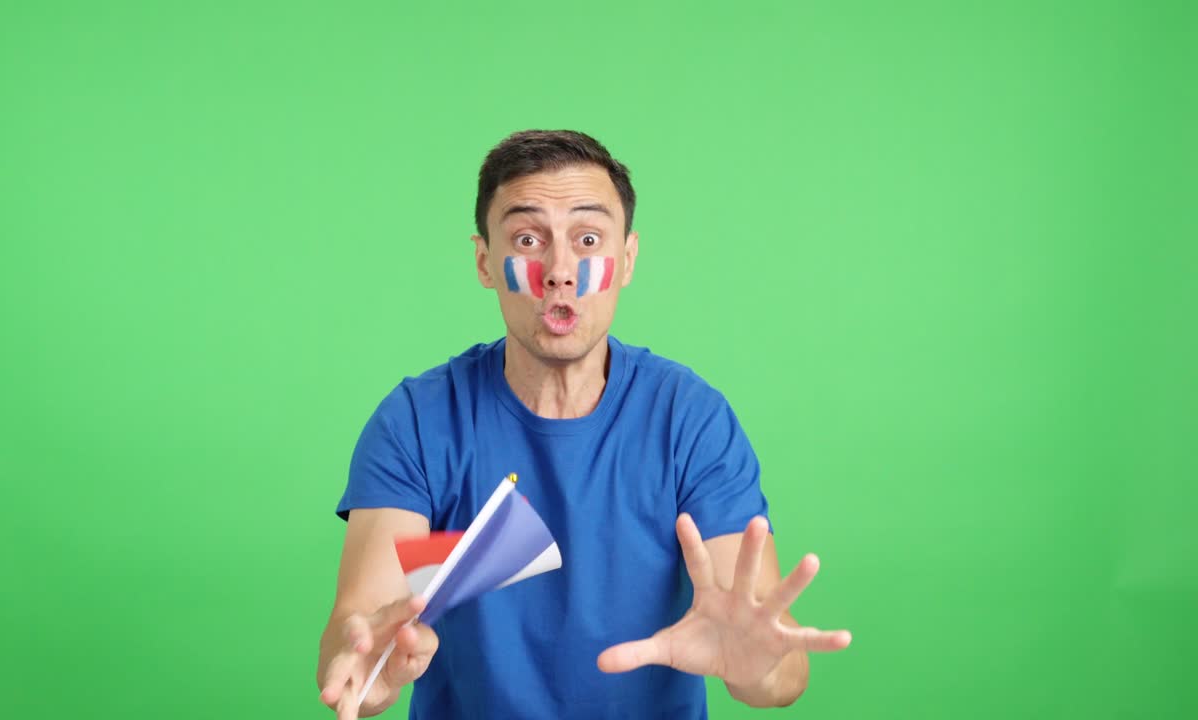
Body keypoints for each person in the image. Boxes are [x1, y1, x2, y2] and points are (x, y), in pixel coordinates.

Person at [317, 130, 851, 719]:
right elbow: (359, 623)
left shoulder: (690, 420)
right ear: (484, 262)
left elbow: (781, 677)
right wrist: (366, 666)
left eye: (588, 239)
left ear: (626, 261)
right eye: (527, 239)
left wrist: (759, 664)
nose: (559, 272)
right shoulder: (417, 421)